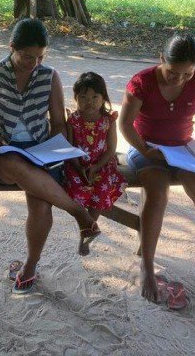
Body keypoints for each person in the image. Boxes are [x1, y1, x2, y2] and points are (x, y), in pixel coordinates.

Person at [0, 18, 101, 294]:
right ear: (11, 48)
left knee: (41, 204)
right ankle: (78, 212)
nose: (34, 63)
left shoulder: (49, 76)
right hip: (3, 152)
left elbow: (58, 123)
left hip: (41, 150)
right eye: (27, 57)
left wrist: (57, 150)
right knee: (13, 163)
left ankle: (30, 266)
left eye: (40, 57)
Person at [118, 34, 195, 303]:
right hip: (146, 148)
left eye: (187, 73)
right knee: (157, 194)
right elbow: (125, 124)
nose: (180, 79)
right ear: (161, 59)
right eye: (173, 73)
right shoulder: (142, 82)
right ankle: (147, 265)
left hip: (182, 149)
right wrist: (144, 150)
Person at [64, 72, 127, 256]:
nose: (89, 102)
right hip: (76, 164)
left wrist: (96, 167)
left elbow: (111, 148)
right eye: (83, 97)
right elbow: (69, 147)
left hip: (102, 164)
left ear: (103, 98)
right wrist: (79, 167)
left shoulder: (108, 120)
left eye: (94, 97)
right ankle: (86, 226)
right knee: (73, 188)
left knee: (102, 187)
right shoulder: (73, 120)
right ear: (75, 98)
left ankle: (87, 230)